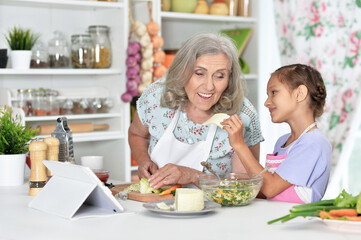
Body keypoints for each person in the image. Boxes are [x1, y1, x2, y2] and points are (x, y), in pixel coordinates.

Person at [128, 32, 264, 189]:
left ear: (230, 78)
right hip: (158, 205)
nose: (209, 86)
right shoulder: (157, 98)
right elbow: (136, 134)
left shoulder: (242, 116)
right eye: (199, 73)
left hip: (219, 211)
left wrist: (193, 176)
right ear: (183, 71)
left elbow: (243, 189)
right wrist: (144, 160)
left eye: (220, 76)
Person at [223, 64, 331, 203]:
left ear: (300, 94)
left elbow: (270, 188)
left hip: (298, 223)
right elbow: (272, 194)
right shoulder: (283, 141)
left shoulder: (314, 143)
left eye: (274, 92)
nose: (266, 103)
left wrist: (239, 144)